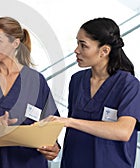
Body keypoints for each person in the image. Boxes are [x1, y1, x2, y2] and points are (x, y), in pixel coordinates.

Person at [0, 17, 60, 168]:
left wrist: (53, 146)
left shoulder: (36, 81)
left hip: (27, 162)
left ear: (15, 43)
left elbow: (51, 122)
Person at [53, 17, 140, 168]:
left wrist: (69, 122)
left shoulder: (128, 85)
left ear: (104, 51)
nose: (76, 50)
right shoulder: (77, 80)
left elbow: (123, 131)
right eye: (77, 43)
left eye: (83, 45)